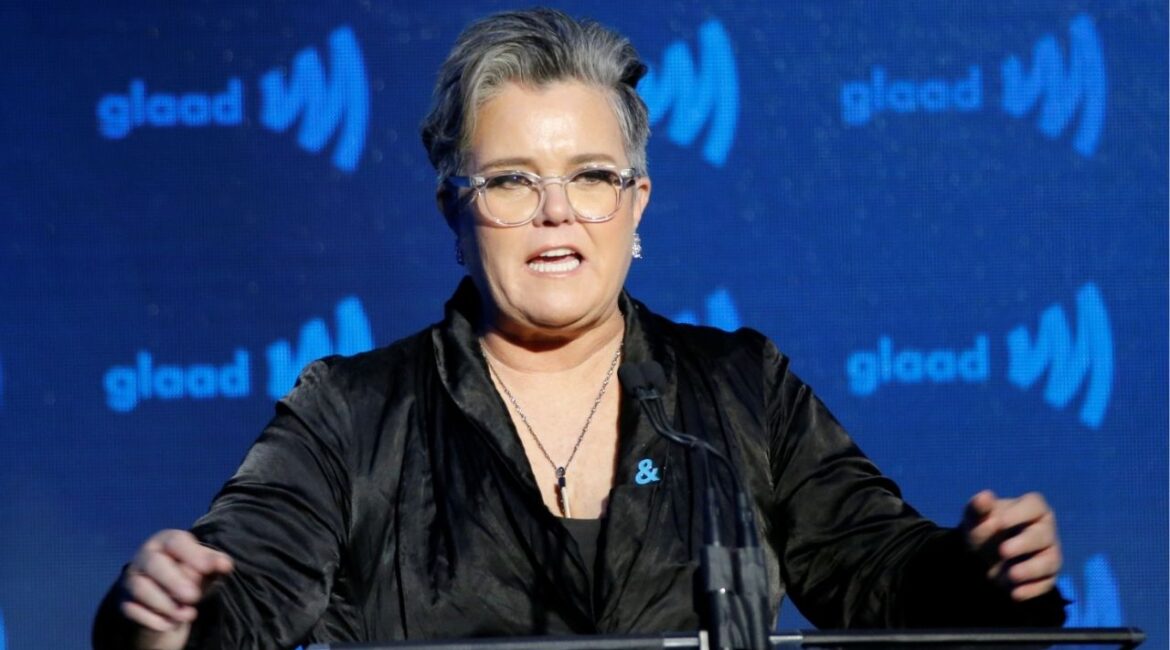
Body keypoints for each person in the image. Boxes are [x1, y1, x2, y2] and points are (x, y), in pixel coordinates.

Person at [93, 8, 1066, 650]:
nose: (557, 211)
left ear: (637, 205)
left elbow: (881, 572)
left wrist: (983, 574)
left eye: (592, 175)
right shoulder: (349, 411)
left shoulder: (742, 388)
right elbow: (245, 580)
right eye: (513, 178)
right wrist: (177, 608)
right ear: (455, 211)